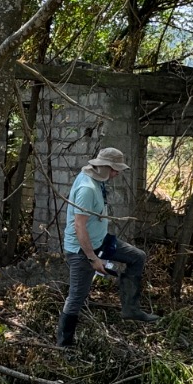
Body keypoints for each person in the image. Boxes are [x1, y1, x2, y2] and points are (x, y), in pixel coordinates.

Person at [58, 146, 159, 346]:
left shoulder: (97, 179)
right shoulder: (87, 188)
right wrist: (92, 258)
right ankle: (64, 344)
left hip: (101, 240)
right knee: (77, 297)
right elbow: (79, 226)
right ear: (103, 167)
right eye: (114, 169)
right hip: (82, 249)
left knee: (137, 256)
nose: (117, 173)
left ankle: (131, 309)